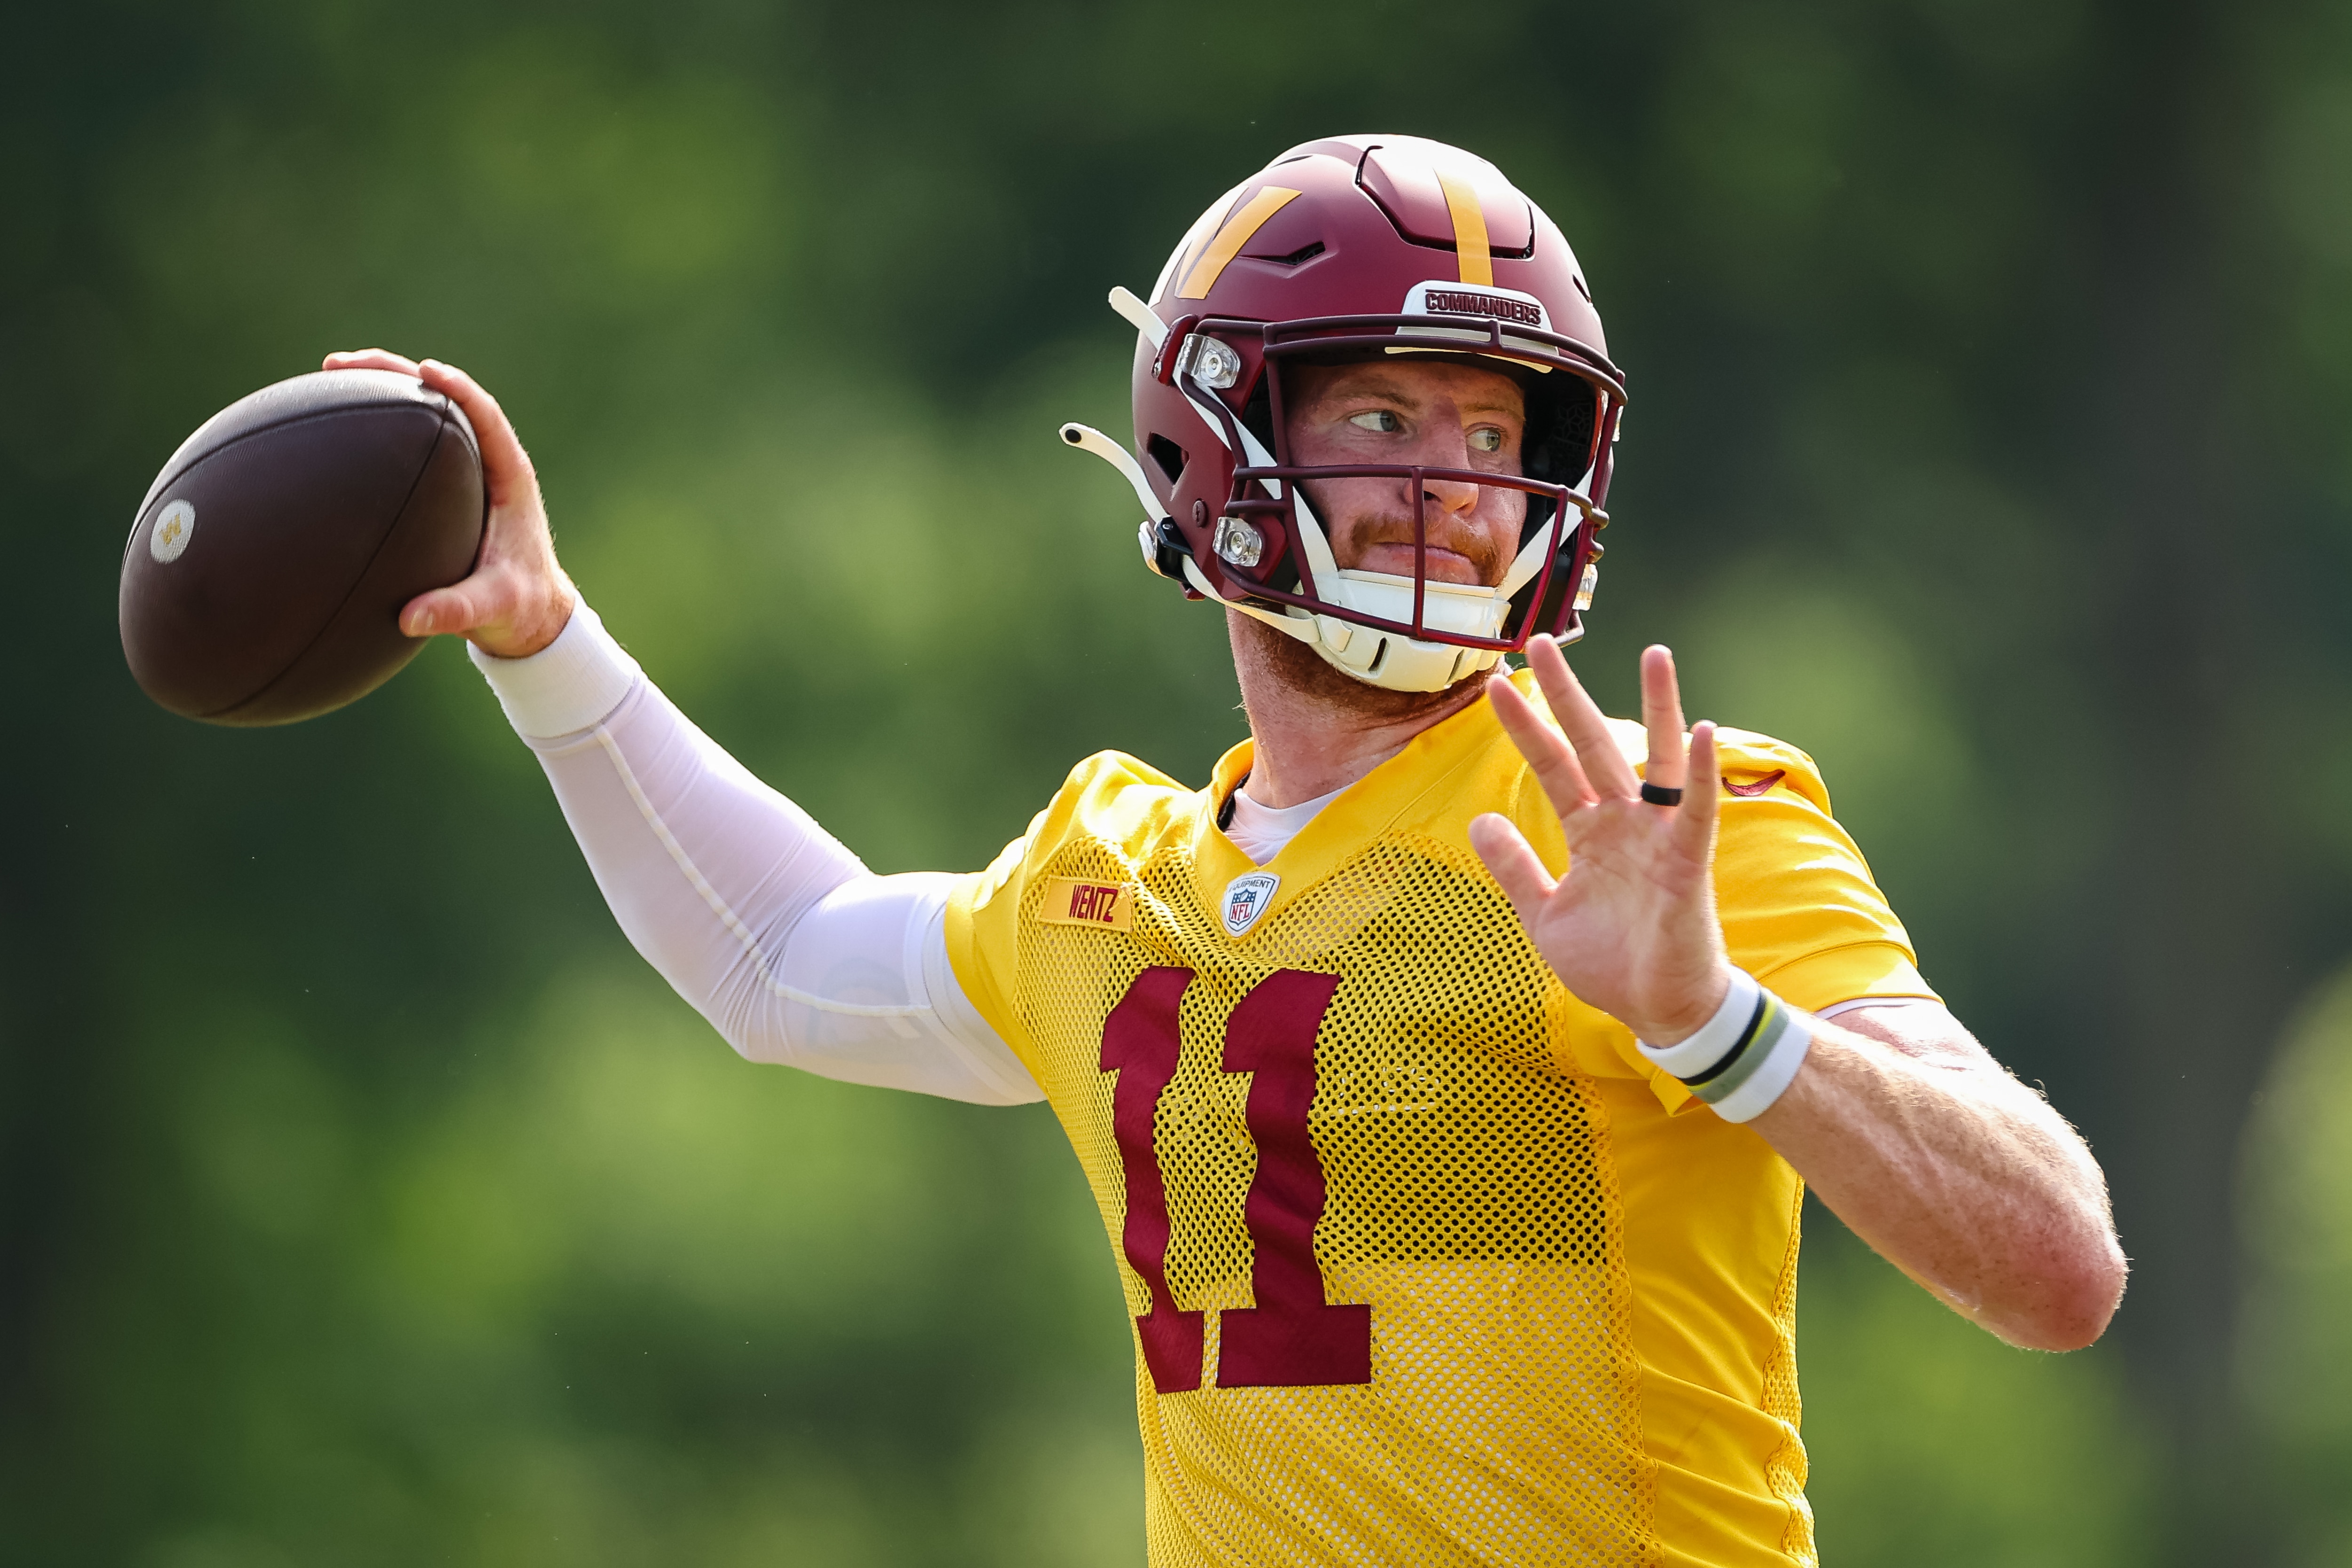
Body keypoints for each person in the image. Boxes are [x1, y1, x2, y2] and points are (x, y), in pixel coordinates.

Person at [330, 134, 2125, 1568]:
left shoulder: (1642, 830)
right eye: (1387, 417)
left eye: (1497, 432)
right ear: (1220, 439)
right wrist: (548, 644)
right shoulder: (1115, 880)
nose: (1458, 488)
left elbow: (2059, 1263)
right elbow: (777, 954)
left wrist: (1715, 1016)